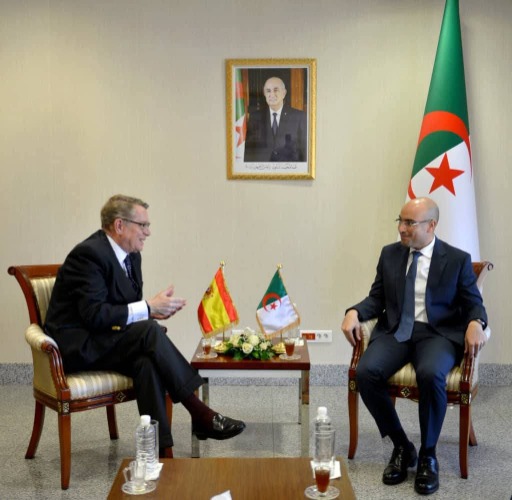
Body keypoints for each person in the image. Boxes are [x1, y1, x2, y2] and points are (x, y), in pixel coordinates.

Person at [45, 194, 245, 456]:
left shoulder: (132, 255)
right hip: (78, 346)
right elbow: (95, 315)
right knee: (150, 332)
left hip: (107, 340)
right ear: (119, 225)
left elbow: (124, 307)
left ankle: (160, 453)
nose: (148, 232)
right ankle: (199, 412)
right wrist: (148, 308)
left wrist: (153, 311)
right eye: (142, 225)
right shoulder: (88, 255)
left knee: (147, 361)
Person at [341, 197, 487, 495]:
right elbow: (377, 298)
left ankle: (428, 455)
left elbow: (474, 304)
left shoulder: (456, 259)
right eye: (401, 221)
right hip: (397, 331)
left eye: (410, 223)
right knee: (366, 372)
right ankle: (402, 446)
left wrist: (476, 322)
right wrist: (353, 312)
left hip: (437, 334)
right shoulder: (390, 254)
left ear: (431, 226)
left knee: (430, 373)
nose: (402, 228)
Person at [244, 76, 307, 162]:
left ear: (284, 93)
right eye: (268, 91)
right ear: (264, 94)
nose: (272, 94)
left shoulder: (299, 117)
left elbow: (304, 152)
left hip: (289, 168)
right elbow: (249, 151)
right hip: (263, 168)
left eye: (276, 90)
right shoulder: (255, 117)